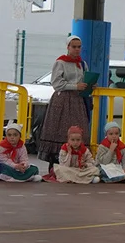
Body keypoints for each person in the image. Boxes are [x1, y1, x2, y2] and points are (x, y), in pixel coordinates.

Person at [37, 36, 91, 174]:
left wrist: (90, 84)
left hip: (78, 101)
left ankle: (76, 164)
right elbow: (56, 83)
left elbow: (84, 79)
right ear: (68, 47)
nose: (77, 49)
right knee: (59, 131)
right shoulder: (60, 62)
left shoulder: (82, 63)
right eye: (74, 47)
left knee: (79, 129)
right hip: (62, 101)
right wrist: (75, 86)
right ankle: (54, 165)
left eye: (79, 47)